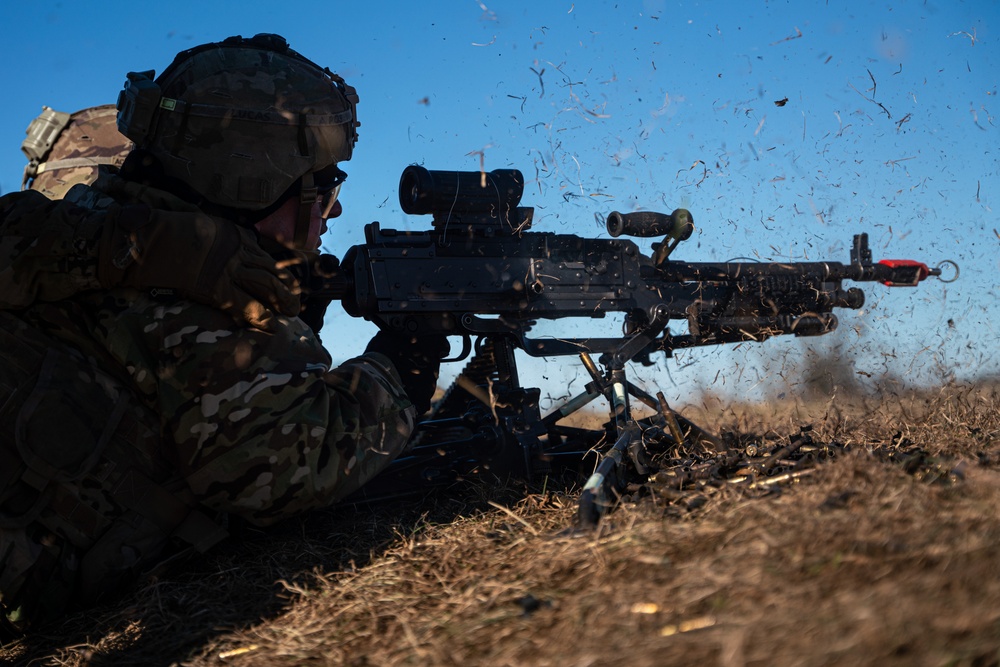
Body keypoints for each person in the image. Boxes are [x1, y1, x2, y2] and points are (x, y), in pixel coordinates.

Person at [0, 33, 447, 632]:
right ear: (250, 180)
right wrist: (401, 364)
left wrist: (295, 310)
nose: (331, 211)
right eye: (323, 187)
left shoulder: (103, 236)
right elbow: (284, 469)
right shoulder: (195, 299)